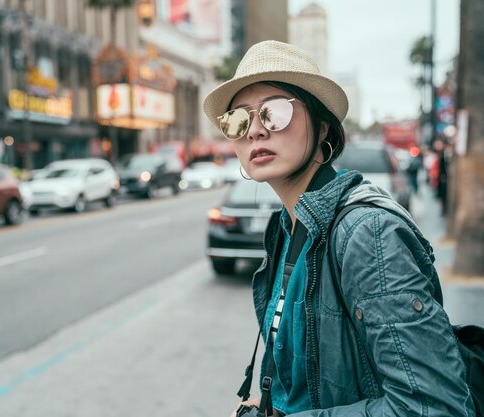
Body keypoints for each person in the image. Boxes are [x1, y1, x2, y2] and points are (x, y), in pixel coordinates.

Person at [202, 40, 475, 417]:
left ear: (322, 125)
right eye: (238, 119)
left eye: (274, 112)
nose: (255, 132)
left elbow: (433, 407)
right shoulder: (288, 227)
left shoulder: (368, 235)